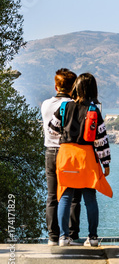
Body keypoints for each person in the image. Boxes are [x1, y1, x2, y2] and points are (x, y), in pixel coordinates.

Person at [49, 73, 113, 247]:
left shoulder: (64, 107)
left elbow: (52, 129)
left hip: (66, 156)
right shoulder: (93, 110)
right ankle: (92, 238)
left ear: (76, 87)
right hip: (86, 158)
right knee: (90, 198)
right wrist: (106, 163)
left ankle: (63, 237)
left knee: (65, 196)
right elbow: (101, 141)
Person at [41, 68, 82, 246]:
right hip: (69, 152)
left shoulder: (45, 104)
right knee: (72, 196)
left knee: (52, 196)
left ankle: (53, 236)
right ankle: (71, 235)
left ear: (56, 85)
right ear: (73, 87)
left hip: (50, 151)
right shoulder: (75, 105)